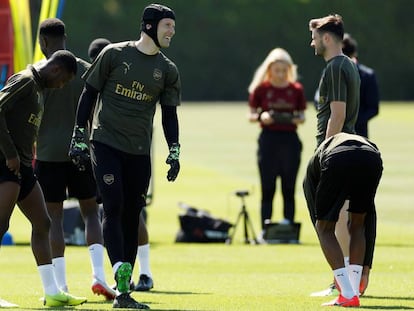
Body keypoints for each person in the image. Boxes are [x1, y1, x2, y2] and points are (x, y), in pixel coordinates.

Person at [70, 4, 181, 309]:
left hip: (139, 151)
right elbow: (88, 95)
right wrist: (79, 137)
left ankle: (123, 291)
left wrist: (175, 150)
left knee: (133, 215)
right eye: (168, 25)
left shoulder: (168, 69)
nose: (172, 31)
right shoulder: (114, 55)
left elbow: (169, 115)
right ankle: (121, 279)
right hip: (105, 143)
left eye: (172, 26)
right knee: (113, 205)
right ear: (149, 26)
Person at [33, 18, 116, 300]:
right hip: (82, 151)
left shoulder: (37, 73)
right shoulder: (86, 70)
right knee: (91, 213)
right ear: (65, 37)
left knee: (53, 219)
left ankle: (60, 285)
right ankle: (99, 276)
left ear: (43, 41)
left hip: (47, 154)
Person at [0, 50, 87, 307]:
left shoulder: (38, 87)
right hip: (6, 164)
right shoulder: (25, 80)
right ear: (57, 70)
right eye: (65, 81)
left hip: (24, 167)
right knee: (1, 225)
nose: (62, 86)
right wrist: (11, 153)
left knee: (43, 223)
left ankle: (52, 292)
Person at [88, 37, 154, 292]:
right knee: (111, 210)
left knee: (125, 211)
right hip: (101, 151)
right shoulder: (94, 83)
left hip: (126, 151)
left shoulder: (120, 80)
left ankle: (142, 272)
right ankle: (112, 274)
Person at [303, 132, 383, 307]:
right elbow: (370, 218)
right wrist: (366, 268)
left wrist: (324, 229)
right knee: (358, 223)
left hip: (338, 157)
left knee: (324, 228)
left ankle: (346, 293)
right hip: (372, 158)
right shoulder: (359, 148)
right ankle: (352, 292)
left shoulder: (310, 174)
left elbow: (319, 223)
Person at [247, 48, 306, 233]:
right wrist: (262, 116)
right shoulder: (262, 89)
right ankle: (266, 228)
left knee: (289, 187)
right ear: (270, 69)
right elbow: (251, 114)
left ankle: (288, 227)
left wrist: (294, 119)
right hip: (269, 140)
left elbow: (302, 115)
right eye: (276, 70)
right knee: (268, 187)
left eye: (283, 70)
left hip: (289, 140)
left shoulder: (295, 89)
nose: (280, 75)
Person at [342, 33, 380, 138]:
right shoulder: (330, 72)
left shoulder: (367, 75)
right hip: (335, 133)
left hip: (359, 134)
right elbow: (319, 98)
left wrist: (350, 122)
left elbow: (373, 108)